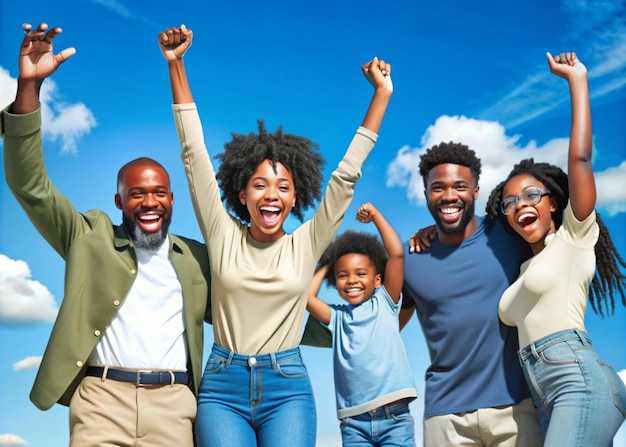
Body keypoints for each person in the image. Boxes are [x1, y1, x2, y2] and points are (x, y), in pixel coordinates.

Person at [158, 25, 393, 447]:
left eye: (283, 187)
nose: (272, 195)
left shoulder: (306, 242)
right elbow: (193, 155)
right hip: (221, 387)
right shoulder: (221, 232)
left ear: (295, 197)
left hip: (287, 388)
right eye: (260, 185)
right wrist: (176, 65)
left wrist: (381, 96)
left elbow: (345, 178)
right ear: (241, 194)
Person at [2, 23, 212, 446]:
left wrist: (342, 326)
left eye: (159, 193)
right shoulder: (88, 236)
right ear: (119, 202)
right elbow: (30, 185)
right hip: (100, 401)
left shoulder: (197, 258)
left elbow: (254, 307)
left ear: (173, 200)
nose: (149, 202)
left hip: (174, 404)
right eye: (137, 194)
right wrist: (29, 87)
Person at [484, 51, 626, 446]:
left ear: (553, 202)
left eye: (532, 194)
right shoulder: (523, 270)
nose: (520, 205)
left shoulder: (573, 238)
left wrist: (577, 81)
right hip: (543, 394)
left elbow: (580, 159)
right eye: (509, 202)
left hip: (577, 378)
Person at [399, 141, 543, 446]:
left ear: (475, 191)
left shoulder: (509, 234)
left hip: (517, 407)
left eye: (459, 186)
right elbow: (388, 324)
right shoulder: (408, 258)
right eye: (438, 188)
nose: (449, 195)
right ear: (426, 194)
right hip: (445, 416)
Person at [307, 203, 418, 446]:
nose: (351, 280)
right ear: (335, 283)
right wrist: (328, 259)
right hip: (353, 423)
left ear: (378, 280)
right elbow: (307, 298)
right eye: (342, 275)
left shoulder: (386, 301)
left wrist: (376, 216)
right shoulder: (338, 317)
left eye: (360, 273)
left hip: (395, 417)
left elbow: (397, 254)